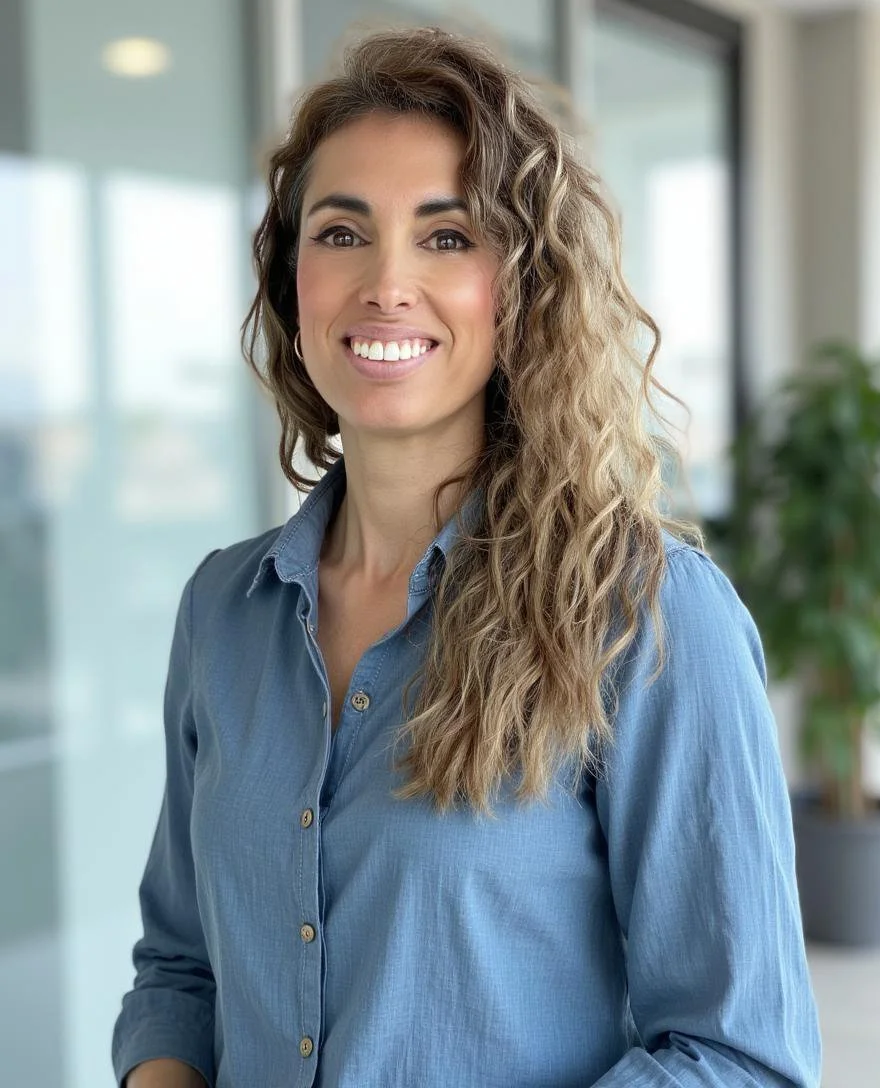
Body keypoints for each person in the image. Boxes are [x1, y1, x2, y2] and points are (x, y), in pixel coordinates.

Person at [112, 25, 822, 1088]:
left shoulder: (646, 615)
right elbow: (181, 967)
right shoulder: (223, 607)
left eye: (447, 237)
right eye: (341, 232)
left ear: (522, 285)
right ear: (292, 280)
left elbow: (738, 1053)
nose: (386, 282)